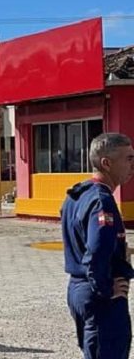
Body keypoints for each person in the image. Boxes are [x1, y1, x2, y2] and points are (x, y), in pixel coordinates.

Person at [62, 133, 134, 359]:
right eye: (128, 158)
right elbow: (96, 251)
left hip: (79, 289)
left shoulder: (77, 195)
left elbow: (83, 242)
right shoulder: (101, 200)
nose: (132, 165)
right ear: (107, 163)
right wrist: (104, 288)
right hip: (100, 296)